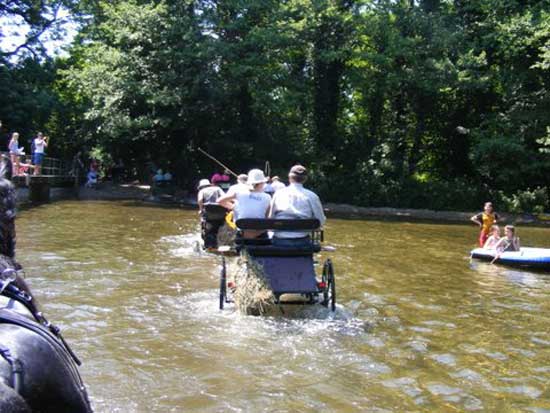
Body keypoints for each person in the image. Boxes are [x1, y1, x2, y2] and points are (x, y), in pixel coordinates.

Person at [269, 164, 326, 243]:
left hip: (279, 240)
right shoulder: (312, 196)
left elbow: (270, 218)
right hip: (302, 242)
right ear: (305, 179)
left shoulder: (278, 194)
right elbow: (321, 221)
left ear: (289, 177)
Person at [217, 169, 271, 238]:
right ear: (261, 183)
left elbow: (220, 201)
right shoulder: (268, 197)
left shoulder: (239, 193)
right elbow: (267, 217)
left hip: (242, 233)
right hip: (259, 235)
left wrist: (233, 207)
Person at [197, 179, 226, 248]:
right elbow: (224, 197)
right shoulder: (218, 188)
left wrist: (200, 209)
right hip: (221, 212)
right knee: (217, 227)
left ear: (201, 187)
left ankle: (208, 245)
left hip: (208, 212)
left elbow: (200, 200)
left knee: (207, 228)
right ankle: (219, 242)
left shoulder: (202, 191)